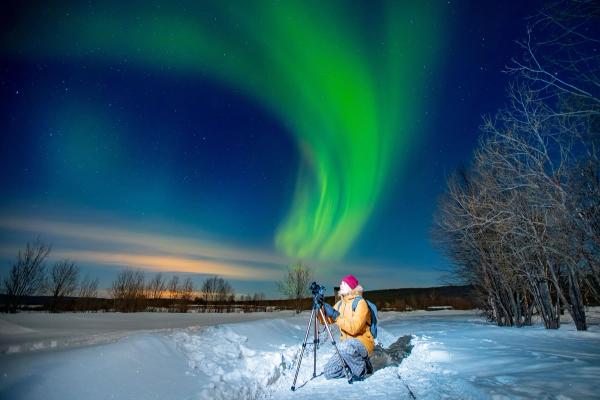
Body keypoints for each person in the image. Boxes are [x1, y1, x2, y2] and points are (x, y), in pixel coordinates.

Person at [319, 274, 374, 380]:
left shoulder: (360, 303)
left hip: (362, 343)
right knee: (329, 372)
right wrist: (320, 308)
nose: (340, 284)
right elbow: (324, 321)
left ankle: (362, 369)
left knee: (344, 346)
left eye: (343, 283)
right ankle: (355, 365)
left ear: (351, 287)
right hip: (346, 347)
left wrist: (335, 315)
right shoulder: (340, 304)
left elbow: (354, 328)